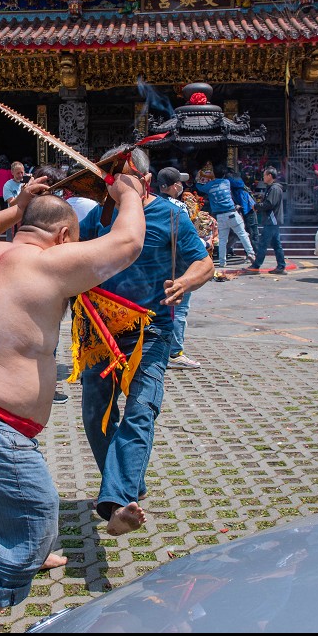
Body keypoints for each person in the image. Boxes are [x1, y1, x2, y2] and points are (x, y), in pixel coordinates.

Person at [0, 171, 148, 632]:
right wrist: (130, 191)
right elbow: (128, 243)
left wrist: (16, 205)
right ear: (62, 237)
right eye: (71, 242)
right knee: (35, 523)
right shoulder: (48, 264)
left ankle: (14, 556)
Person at [79, 144, 214, 536]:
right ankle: (124, 485)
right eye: (111, 178)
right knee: (95, 416)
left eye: (125, 178)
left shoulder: (171, 216)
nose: (117, 185)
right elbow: (76, 254)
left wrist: (187, 280)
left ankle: (118, 501)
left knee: (141, 411)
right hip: (100, 331)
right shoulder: (101, 215)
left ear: (145, 180)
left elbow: (204, 262)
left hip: (151, 332)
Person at [157, 167, 203, 370]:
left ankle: (162, 349)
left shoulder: (150, 203)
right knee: (179, 309)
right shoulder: (178, 207)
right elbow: (187, 237)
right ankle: (175, 352)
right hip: (178, 266)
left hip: (158, 264)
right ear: (175, 185)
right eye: (180, 183)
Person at [196, 165, 255, 268]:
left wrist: (198, 178)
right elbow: (238, 183)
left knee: (223, 239)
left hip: (220, 216)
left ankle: (222, 262)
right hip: (232, 213)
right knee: (242, 234)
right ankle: (250, 253)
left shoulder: (209, 186)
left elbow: (199, 187)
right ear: (224, 175)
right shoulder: (226, 182)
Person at [244, 166, 287, 275]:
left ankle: (256, 265)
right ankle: (281, 265)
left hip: (272, 220)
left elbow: (270, 204)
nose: (263, 177)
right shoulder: (272, 188)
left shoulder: (274, 189)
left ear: (269, 176)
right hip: (272, 220)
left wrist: (257, 206)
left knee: (263, 243)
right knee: (276, 244)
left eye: (264, 175)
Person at [2, 161, 27, 240]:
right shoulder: (8, 185)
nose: (20, 175)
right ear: (12, 172)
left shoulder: (27, 182)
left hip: (26, 217)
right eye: (18, 173)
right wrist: (22, 192)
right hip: (13, 218)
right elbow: (12, 203)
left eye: (22, 172)